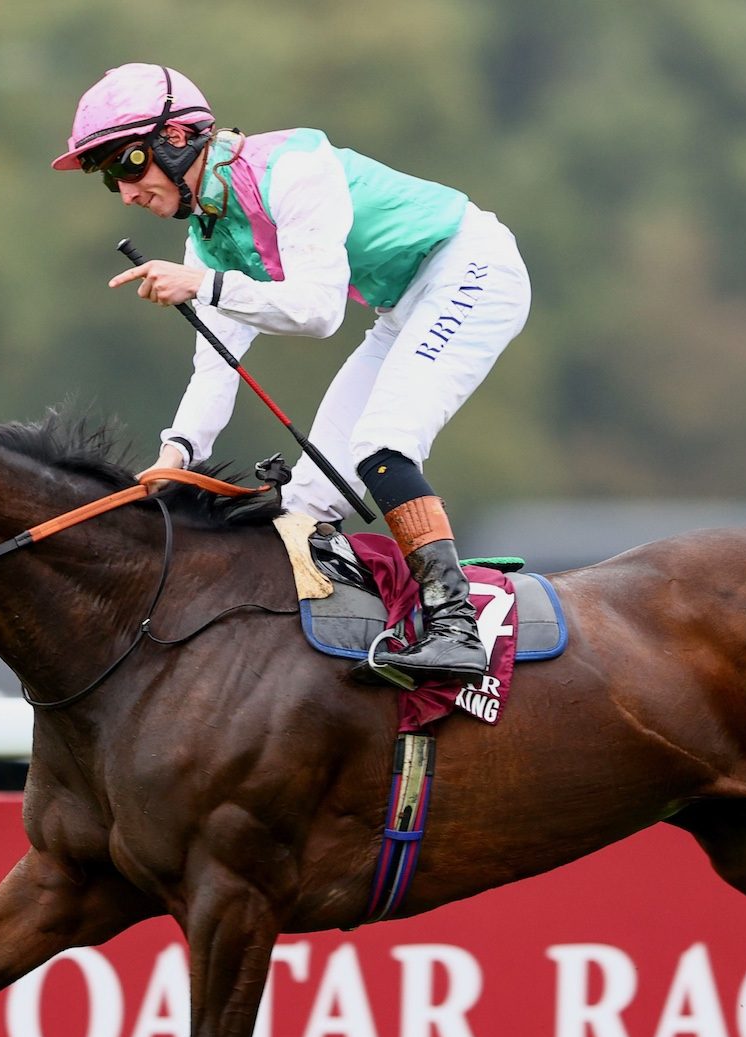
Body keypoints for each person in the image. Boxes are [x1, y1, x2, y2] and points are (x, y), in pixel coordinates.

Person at [52, 63, 530, 683]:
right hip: (403, 305)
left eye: (128, 164)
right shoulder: (209, 233)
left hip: (471, 269)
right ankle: (368, 636)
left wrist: (204, 284)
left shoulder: (293, 170)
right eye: (108, 176)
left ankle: (456, 628)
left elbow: (319, 313)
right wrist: (176, 454)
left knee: (381, 448)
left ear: (176, 139)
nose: (125, 191)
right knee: (306, 505)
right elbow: (215, 366)